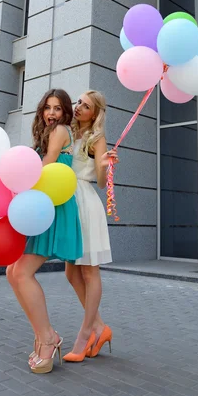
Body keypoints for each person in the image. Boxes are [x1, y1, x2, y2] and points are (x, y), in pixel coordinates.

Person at [6, 88, 83, 374]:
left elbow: (48, 164)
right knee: (13, 272)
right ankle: (42, 335)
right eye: (48, 108)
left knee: (23, 272)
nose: (52, 113)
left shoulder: (61, 130)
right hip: (40, 205)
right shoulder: (45, 134)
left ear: (65, 113)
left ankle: (49, 338)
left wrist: (17, 184)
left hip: (54, 206)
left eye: (58, 108)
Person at [63, 90, 118, 362]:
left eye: (85, 106)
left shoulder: (97, 139)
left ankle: (85, 335)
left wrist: (105, 164)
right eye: (79, 102)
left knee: (88, 271)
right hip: (68, 204)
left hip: (85, 202)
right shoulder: (68, 132)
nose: (79, 107)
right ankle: (99, 326)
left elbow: (100, 181)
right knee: (71, 274)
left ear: (94, 114)